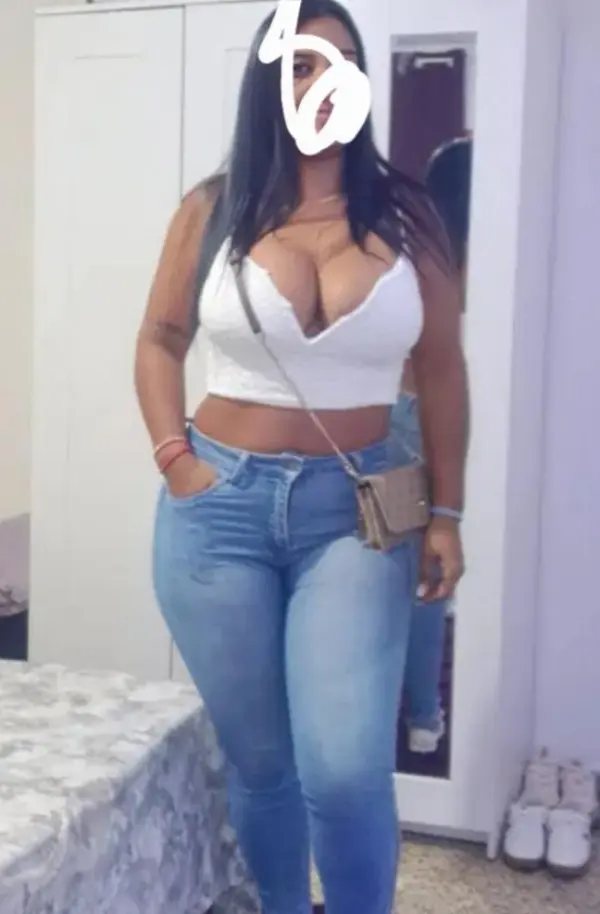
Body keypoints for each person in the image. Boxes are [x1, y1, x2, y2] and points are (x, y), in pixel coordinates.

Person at [134, 3, 468, 913]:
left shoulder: (408, 215)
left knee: (346, 769)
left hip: (352, 515)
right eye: (303, 64)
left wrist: (447, 514)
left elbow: (442, 369)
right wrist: (176, 461)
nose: (327, 80)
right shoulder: (213, 207)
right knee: (261, 763)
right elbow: (160, 339)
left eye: (344, 61)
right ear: (269, 82)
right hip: (217, 511)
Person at [390, 136, 473, 755]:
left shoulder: (410, 251)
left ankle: (413, 712)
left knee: (402, 567)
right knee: (429, 576)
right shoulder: (482, 260)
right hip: (441, 412)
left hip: (394, 408)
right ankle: (423, 714)